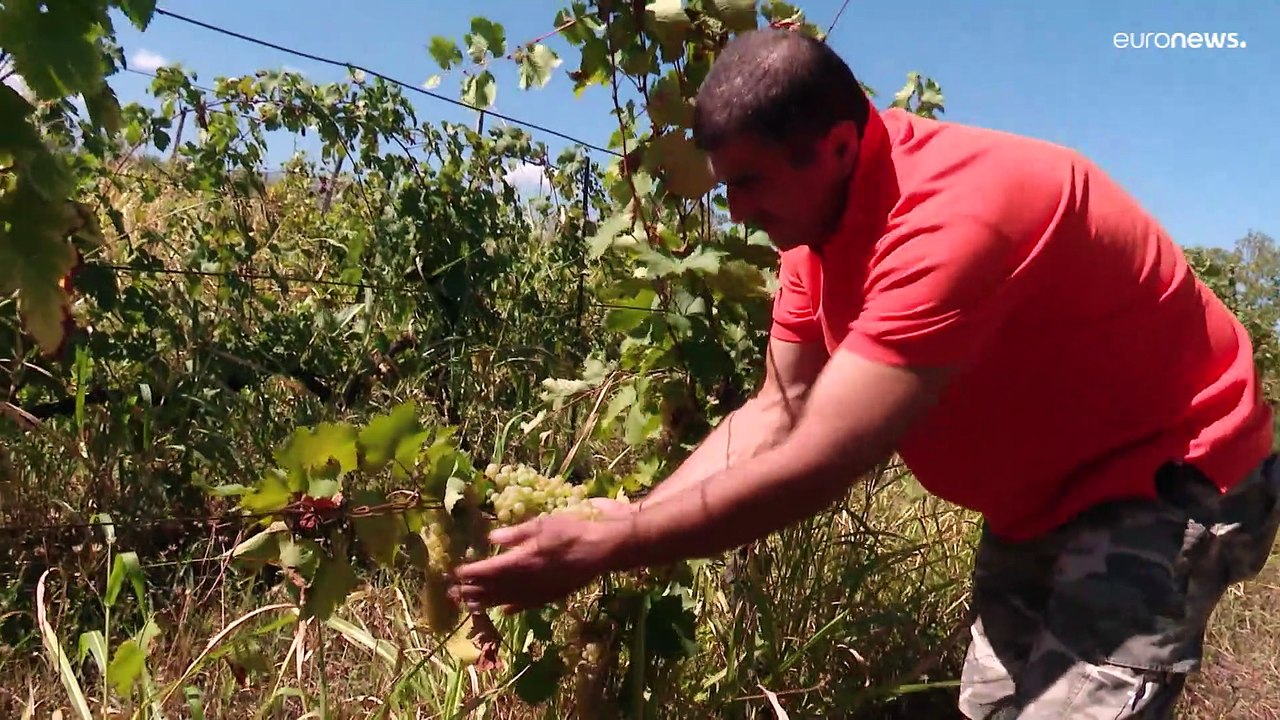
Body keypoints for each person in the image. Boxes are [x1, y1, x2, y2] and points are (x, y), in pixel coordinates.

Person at [453, 28, 1280, 718]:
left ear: (841, 145)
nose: (734, 210)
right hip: (1037, 499)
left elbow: (819, 463)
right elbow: (777, 409)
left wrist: (612, 549)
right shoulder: (818, 226)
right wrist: (629, 516)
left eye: (750, 181)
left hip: (1168, 474)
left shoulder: (952, 219)